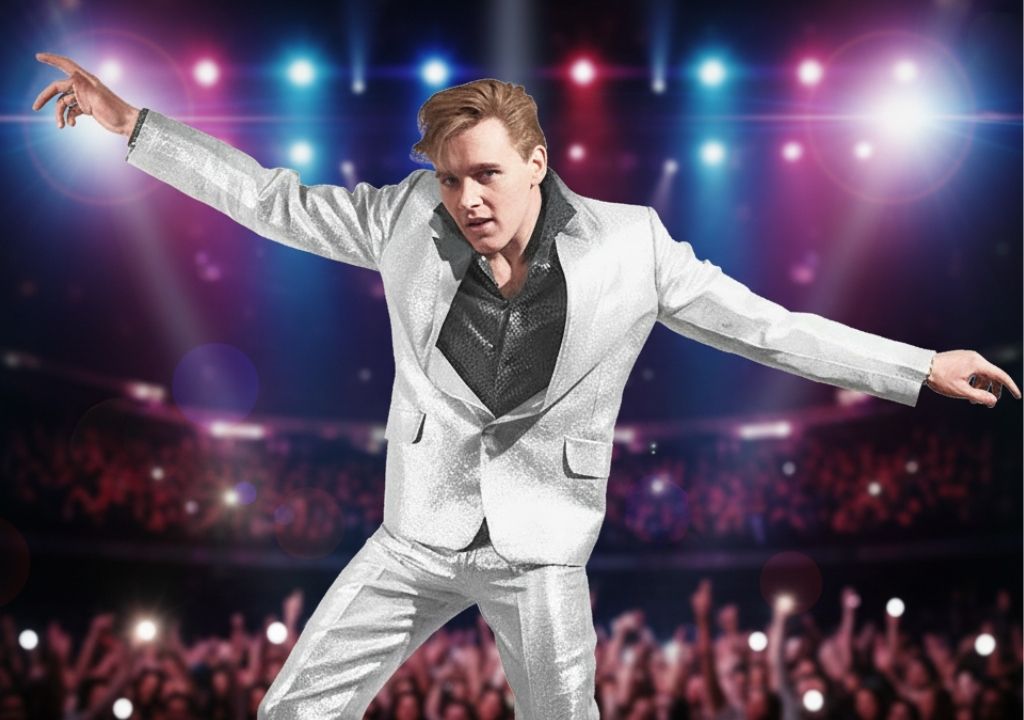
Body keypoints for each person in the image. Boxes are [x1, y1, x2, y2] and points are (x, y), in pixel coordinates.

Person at [32, 52, 1020, 720]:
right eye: (449, 178)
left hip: (540, 552)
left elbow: (767, 328)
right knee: (291, 710)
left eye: (486, 176)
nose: (465, 199)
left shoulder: (631, 247)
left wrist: (917, 366)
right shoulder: (406, 216)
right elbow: (268, 200)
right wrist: (133, 125)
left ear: (538, 163)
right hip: (415, 537)